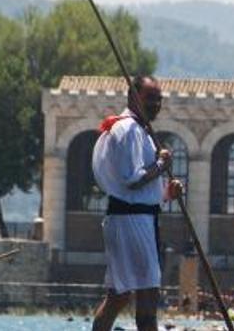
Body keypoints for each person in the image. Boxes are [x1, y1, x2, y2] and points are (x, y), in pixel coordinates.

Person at [89, 75, 184, 331]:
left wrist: (166, 194)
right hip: (131, 222)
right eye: (149, 98)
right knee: (146, 298)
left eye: (159, 99)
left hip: (137, 219)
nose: (155, 104)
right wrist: (161, 165)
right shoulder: (128, 129)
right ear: (133, 97)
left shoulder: (139, 130)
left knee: (120, 296)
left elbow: (139, 193)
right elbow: (132, 180)